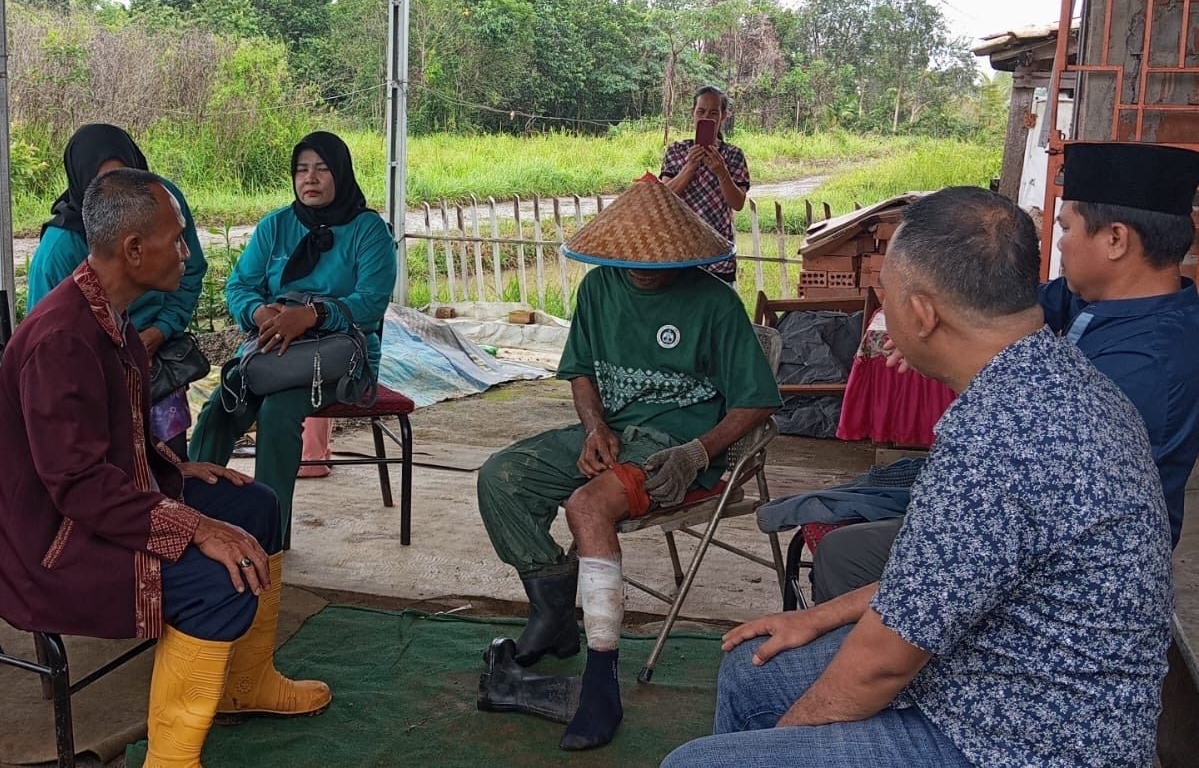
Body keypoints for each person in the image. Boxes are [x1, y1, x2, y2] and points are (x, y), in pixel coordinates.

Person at [661, 187, 1174, 768]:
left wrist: (782, 742)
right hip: (1009, 673)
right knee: (752, 667)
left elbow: (883, 662)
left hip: (1028, 741)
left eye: (887, 296)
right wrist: (814, 616)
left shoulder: (995, 436)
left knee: (696, 762)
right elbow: (936, 581)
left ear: (924, 313)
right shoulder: (1057, 375)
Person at [0, 169, 329, 768]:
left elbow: (109, 445)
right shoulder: (62, 338)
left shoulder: (107, 314)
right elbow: (80, 485)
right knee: (219, 579)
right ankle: (169, 761)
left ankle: (247, 684)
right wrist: (193, 527)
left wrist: (174, 468)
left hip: (95, 510)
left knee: (256, 507)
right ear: (134, 250)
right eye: (178, 240)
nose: (187, 253)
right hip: (50, 547)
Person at [807, 142, 1199, 601]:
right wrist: (926, 334)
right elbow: (1001, 313)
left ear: (1115, 240)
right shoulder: (1099, 303)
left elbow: (1050, 478)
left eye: (1067, 228)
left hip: (1068, 553)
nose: (1061, 243)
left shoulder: (1151, 362)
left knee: (845, 553)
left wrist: (942, 348)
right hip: (1026, 509)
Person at [475, 176, 781, 751]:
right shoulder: (598, 290)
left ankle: (601, 677)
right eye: (626, 255)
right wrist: (593, 427)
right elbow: (581, 371)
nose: (639, 266)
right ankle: (555, 609)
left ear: (683, 252)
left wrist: (698, 453)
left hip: (675, 446)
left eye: (654, 257)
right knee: (501, 478)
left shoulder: (714, 301)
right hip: (611, 434)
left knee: (586, 507)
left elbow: (757, 400)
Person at [188, 131, 396, 532]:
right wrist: (261, 313)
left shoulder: (368, 231)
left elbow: (371, 304)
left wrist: (314, 314)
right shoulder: (275, 227)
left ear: (341, 174)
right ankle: (197, 521)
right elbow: (239, 286)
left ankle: (268, 535)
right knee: (222, 405)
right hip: (275, 349)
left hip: (343, 359)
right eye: (302, 170)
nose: (310, 179)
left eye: (321, 169)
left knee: (278, 411)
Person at [27, 123, 207, 456]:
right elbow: (43, 353)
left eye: (127, 178)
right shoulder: (58, 251)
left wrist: (162, 329)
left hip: (157, 368)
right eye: (103, 185)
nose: (119, 196)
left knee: (173, 471)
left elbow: (191, 267)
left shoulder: (162, 204)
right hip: (91, 391)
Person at [659, 85, 751, 285]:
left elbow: (738, 203)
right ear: (693, 113)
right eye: (700, 111)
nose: (706, 117)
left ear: (723, 116)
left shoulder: (733, 155)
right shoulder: (676, 151)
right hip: (678, 253)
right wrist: (690, 167)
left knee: (717, 313)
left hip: (718, 254)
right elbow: (664, 196)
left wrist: (722, 172)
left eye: (713, 112)